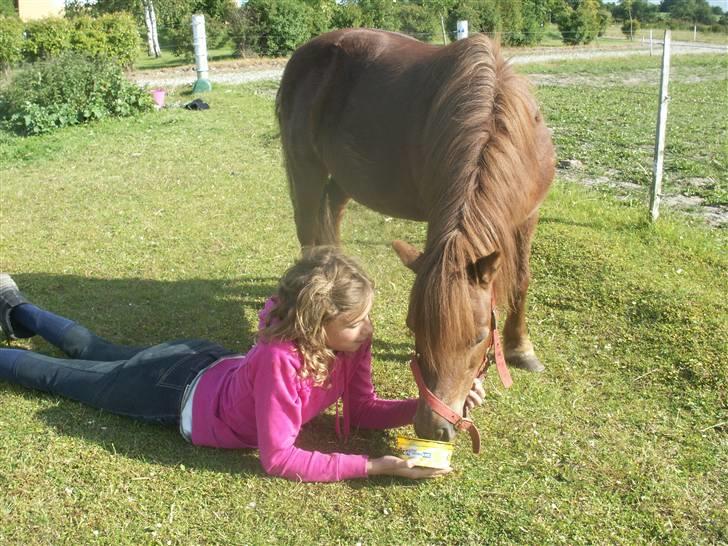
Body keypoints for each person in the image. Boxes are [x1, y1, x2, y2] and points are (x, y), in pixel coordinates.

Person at [0, 248, 485, 482]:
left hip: (203, 362)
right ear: (317, 324)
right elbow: (278, 459)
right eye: (354, 321)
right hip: (170, 391)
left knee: (96, 349)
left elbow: (363, 407)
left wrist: (433, 405)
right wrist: (374, 465)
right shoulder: (280, 360)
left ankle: (16, 308)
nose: (368, 329)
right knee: (61, 375)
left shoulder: (351, 343)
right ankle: (17, 312)